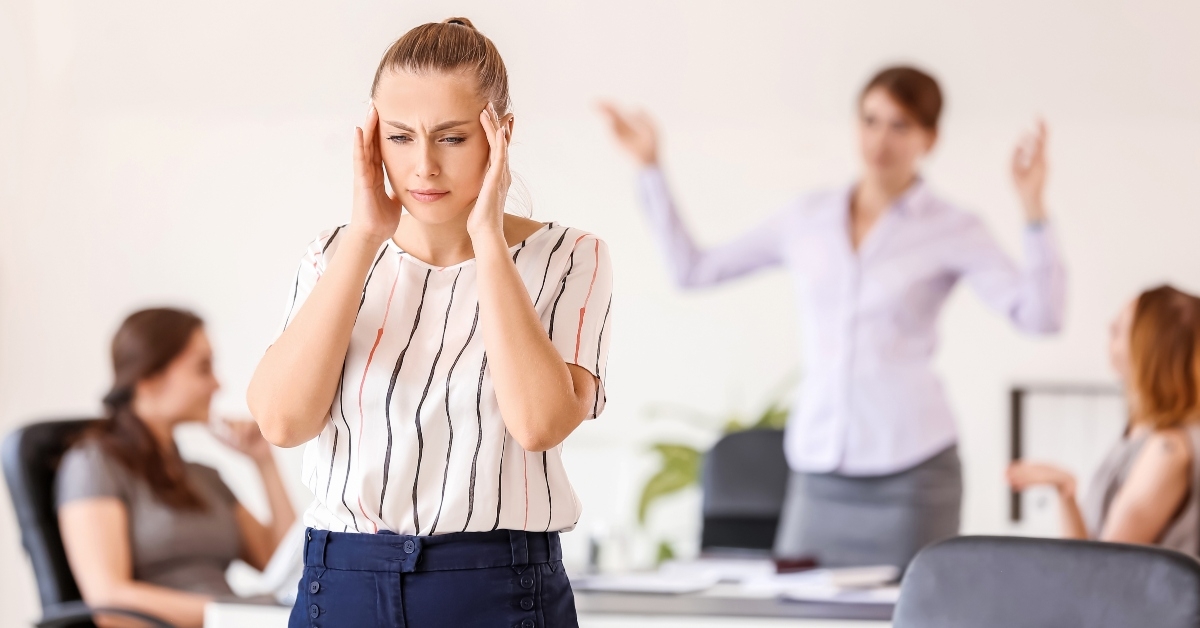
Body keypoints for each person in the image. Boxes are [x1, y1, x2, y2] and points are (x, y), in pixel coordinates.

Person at [600, 66, 1065, 568]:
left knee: (912, 607)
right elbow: (693, 270)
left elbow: (1040, 316)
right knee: (796, 604)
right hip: (819, 471)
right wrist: (649, 168)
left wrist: (1033, 207)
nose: (880, 139)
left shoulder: (953, 227)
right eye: (870, 120)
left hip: (914, 472)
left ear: (930, 138)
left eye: (900, 125)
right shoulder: (808, 218)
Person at [246, 17, 612, 628]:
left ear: (500, 136)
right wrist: (366, 235)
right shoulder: (333, 254)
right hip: (342, 584)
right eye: (400, 137)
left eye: (452, 138)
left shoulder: (569, 256)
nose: (423, 167)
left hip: (499, 589)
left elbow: (540, 423)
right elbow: (282, 422)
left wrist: (487, 238)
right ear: (373, 139)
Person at [56, 308, 296, 628]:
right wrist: (233, 614)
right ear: (148, 378)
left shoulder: (204, 477)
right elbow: (109, 602)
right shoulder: (93, 465)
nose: (217, 384)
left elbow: (284, 567)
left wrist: (265, 462)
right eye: (203, 368)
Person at [1009, 285, 1200, 556]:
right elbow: (1088, 558)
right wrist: (1065, 489)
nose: (1109, 330)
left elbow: (1103, 566)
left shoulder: (1167, 449)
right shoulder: (1139, 433)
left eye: (1118, 330)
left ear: (1149, 350)